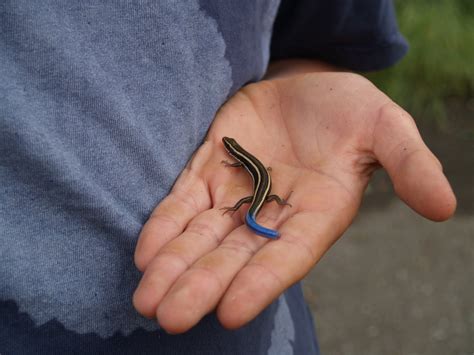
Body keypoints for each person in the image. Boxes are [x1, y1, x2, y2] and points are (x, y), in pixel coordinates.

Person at [0, 1, 456, 354]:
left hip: (266, 308)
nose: (228, 152)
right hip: (260, 209)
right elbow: (248, 170)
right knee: (252, 204)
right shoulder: (246, 166)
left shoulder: (241, 166)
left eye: (231, 151)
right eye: (232, 151)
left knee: (247, 207)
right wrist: (256, 201)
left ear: (234, 154)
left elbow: (320, 42)